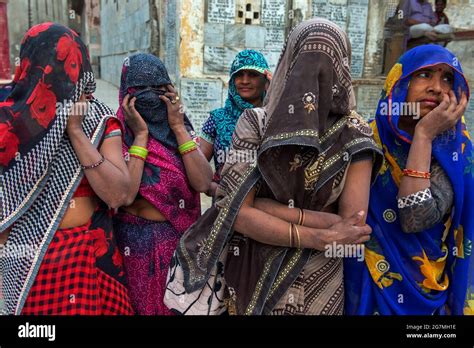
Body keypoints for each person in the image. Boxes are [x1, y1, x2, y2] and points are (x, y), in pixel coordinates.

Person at [172, 18, 383, 315]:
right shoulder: (255, 124)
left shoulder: (355, 134)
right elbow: (235, 214)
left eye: (326, 62)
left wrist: (263, 207)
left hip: (321, 281)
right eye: (308, 63)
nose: (315, 75)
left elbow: (352, 226)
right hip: (256, 271)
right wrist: (317, 234)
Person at [0, 23, 134, 314]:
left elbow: (118, 195)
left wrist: (75, 131)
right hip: (32, 267)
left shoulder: (96, 117)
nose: (67, 77)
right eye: (58, 67)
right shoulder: (9, 121)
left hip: (92, 261)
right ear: (36, 66)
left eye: (73, 67)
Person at [344, 44, 473, 315]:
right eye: (424, 75)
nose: (437, 88)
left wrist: (424, 136)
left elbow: (414, 217)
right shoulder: (363, 138)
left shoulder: (456, 150)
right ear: (398, 83)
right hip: (364, 282)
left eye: (447, 78)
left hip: (426, 294)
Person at [114, 53, 213, 315]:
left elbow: (203, 181)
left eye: (158, 89)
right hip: (131, 245)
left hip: (176, 244)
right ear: (126, 93)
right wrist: (142, 135)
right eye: (140, 90)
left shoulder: (180, 127)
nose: (150, 97)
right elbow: (125, 195)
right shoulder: (116, 132)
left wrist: (178, 127)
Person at [200, 49, 271, 196]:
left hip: (268, 206)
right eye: (239, 75)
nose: (245, 81)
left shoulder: (275, 117)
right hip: (223, 207)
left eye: (253, 75)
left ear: (266, 80)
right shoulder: (217, 119)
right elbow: (196, 167)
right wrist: (213, 188)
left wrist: (275, 97)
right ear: (232, 80)